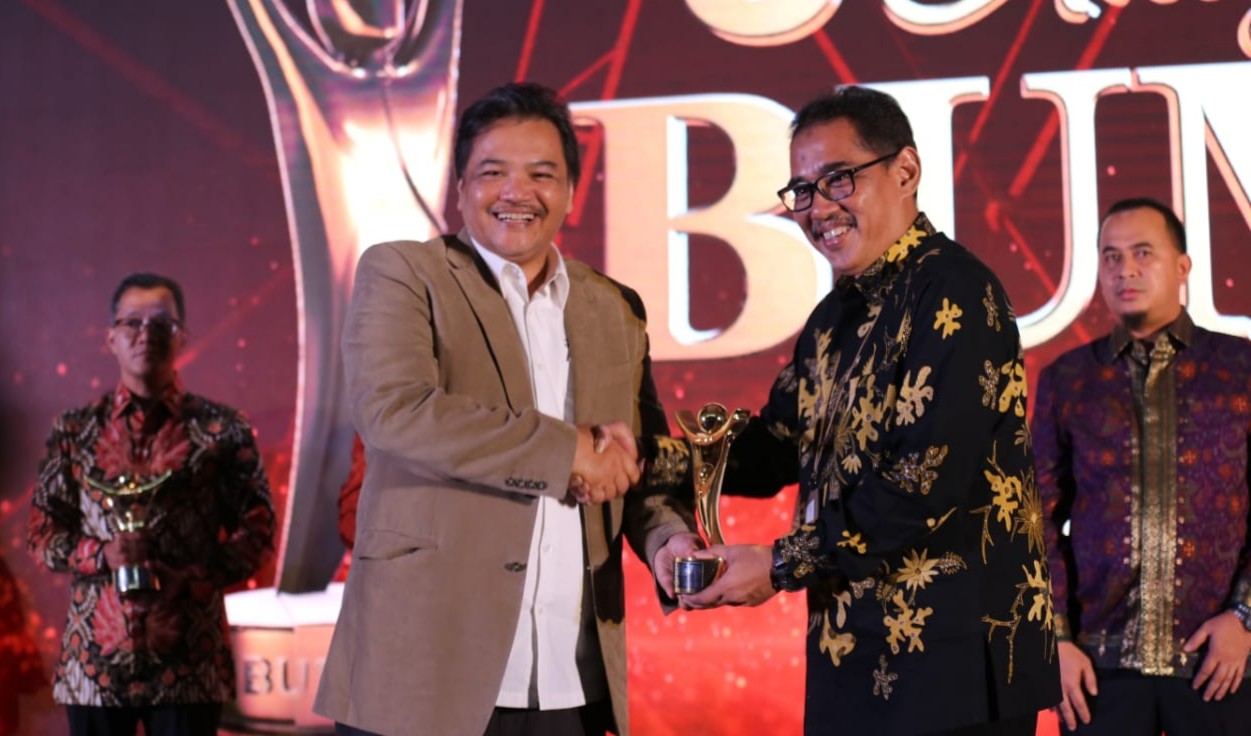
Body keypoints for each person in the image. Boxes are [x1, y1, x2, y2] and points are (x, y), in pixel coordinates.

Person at [647, 86, 1060, 735]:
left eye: (838, 179)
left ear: (906, 170)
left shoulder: (954, 289)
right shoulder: (832, 318)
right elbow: (776, 446)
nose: (818, 208)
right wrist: (645, 458)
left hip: (956, 665)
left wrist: (779, 564)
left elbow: (922, 483)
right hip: (851, 656)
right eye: (802, 190)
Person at [313, 82, 700, 736]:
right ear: (460, 187)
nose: (517, 192)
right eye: (493, 172)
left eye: (541, 175)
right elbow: (395, 411)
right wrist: (566, 452)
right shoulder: (404, 274)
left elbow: (636, 461)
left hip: (571, 681)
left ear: (570, 192)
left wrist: (668, 540)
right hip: (423, 676)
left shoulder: (614, 308)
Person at [1032, 197, 1251, 735]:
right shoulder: (1069, 379)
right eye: (1111, 256)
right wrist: (1056, 640)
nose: (1124, 269)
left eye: (1142, 253)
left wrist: (1245, 616)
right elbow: (1033, 517)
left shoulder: (1240, 368)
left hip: (1220, 659)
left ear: (1182, 266)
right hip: (1097, 667)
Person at [27, 272, 276, 736]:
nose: (147, 335)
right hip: (94, 667)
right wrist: (101, 554)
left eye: (162, 324)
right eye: (133, 323)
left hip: (189, 661)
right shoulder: (74, 431)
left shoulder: (223, 430)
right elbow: (42, 534)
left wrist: (194, 579)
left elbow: (258, 530)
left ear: (182, 336)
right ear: (111, 338)